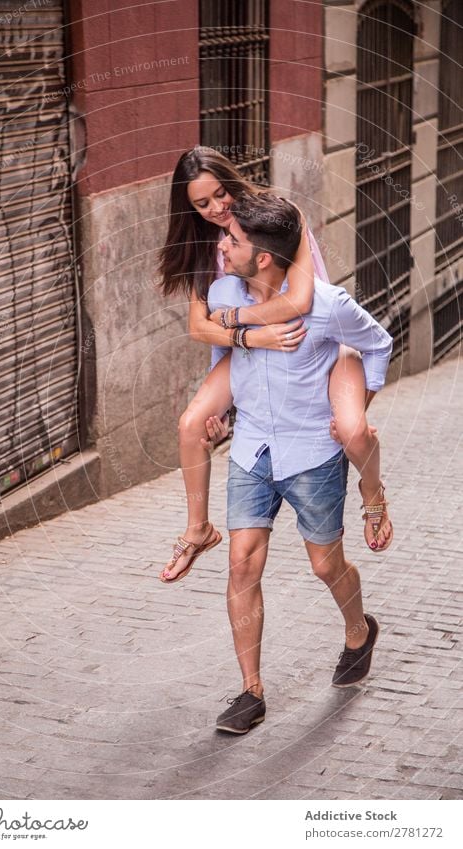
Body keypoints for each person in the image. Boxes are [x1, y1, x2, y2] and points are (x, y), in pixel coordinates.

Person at [158, 147, 393, 584]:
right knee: (191, 424)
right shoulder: (200, 247)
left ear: (232, 181)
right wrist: (248, 343)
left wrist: (232, 320)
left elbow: (299, 301)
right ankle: (198, 529)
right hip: (253, 347)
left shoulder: (276, 219)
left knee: (351, 429)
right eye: (201, 204)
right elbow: (197, 328)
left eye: (220, 194)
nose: (215, 209)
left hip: (316, 337)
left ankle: (373, 491)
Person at [206, 191, 393, 733]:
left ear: (263, 257)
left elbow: (377, 344)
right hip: (251, 449)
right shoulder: (223, 291)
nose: (222, 244)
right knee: (242, 562)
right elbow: (224, 353)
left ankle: (359, 630)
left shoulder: (328, 305)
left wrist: (357, 407)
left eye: (233, 239)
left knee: (325, 565)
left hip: (312, 452)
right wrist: (220, 415)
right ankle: (250, 692)